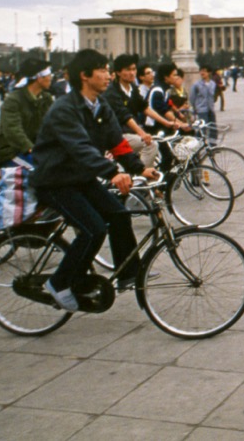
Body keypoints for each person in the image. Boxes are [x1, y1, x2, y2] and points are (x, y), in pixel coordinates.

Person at [31, 49, 157, 311]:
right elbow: (80, 148)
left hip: (80, 178)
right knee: (94, 229)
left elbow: (117, 141)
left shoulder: (101, 106)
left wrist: (138, 168)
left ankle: (127, 274)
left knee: (119, 214)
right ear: (84, 76)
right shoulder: (64, 109)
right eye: (102, 70)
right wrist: (112, 172)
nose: (108, 75)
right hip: (55, 181)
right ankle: (59, 282)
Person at [103, 54, 173, 169]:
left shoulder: (133, 88)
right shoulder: (112, 92)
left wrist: (168, 123)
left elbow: (145, 108)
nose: (132, 73)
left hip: (130, 133)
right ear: (118, 72)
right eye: (128, 70)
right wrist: (142, 134)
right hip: (116, 135)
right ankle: (139, 179)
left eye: (134, 69)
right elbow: (125, 116)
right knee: (150, 145)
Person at [0, 59, 55, 169]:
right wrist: (30, 148)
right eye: (49, 75)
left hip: (34, 149)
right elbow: (13, 130)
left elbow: (56, 122)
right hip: (12, 152)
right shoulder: (14, 100)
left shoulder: (46, 98)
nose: (51, 78)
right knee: (44, 170)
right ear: (39, 78)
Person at [190, 64, 219, 135]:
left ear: (209, 73)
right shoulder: (196, 85)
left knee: (213, 128)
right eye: (201, 71)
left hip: (211, 109)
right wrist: (195, 108)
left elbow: (214, 96)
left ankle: (213, 144)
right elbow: (192, 98)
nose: (202, 73)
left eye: (204, 71)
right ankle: (200, 144)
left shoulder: (213, 84)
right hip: (201, 110)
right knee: (202, 129)